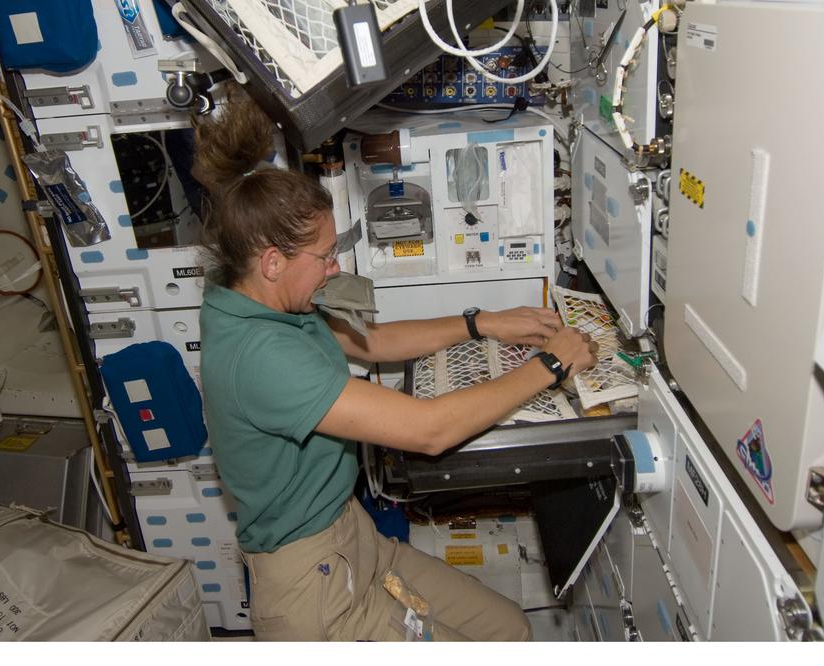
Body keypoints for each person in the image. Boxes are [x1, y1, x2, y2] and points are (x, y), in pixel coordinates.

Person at [193, 93, 596, 641]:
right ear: (271, 262)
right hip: (314, 590)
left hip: (354, 542)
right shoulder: (260, 354)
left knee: (509, 632)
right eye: (326, 256)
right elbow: (427, 431)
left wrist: (485, 323)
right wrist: (551, 363)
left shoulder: (259, 299)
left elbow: (372, 341)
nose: (335, 268)